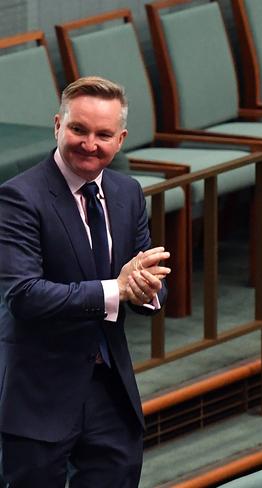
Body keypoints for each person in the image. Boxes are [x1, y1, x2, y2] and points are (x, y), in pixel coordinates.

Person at [0, 76, 171, 486]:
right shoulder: (18, 198)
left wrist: (148, 290)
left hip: (108, 392)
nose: (89, 144)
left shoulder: (128, 192)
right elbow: (24, 296)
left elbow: (145, 279)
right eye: (79, 129)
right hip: (39, 396)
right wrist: (118, 289)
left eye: (103, 134)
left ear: (121, 138)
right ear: (58, 125)